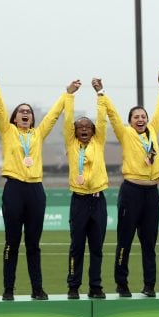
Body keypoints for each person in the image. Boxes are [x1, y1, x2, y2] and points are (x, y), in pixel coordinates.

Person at [0, 76, 71, 301]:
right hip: (14, 190)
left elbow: (54, 116)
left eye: (28, 111)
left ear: (32, 117)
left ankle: (37, 288)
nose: (25, 113)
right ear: (15, 117)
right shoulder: (8, 132)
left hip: (35, 191)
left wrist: (67, 94)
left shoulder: (38, 134)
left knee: (33, 244)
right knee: (12, 241)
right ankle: (8, 288)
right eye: (21, 111)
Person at [104, 67, 159, 298]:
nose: (140, 119)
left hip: (152, 194)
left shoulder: (153, 131)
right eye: (136, 117)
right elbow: (112, 115)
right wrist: (102, 93)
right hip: (131, 191)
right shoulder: (125, 134)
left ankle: (149, 285)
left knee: (149, 243)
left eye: (143, 116)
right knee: (125, 239)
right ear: (130, 121)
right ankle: (121, 284)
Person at [62, 78, 108, 299]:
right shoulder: (71, 144)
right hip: (79, 201)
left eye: (87, 127)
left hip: (98, 200)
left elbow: (103, 119)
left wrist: (100, 93)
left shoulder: (99, 143)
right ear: (75, 131)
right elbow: (67, 119)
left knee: (97, 248)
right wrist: (70, 95)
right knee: (77, 246)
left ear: (93, 131)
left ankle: (96, 286)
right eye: (79, 127)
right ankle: (73, 286)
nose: (83, 129)